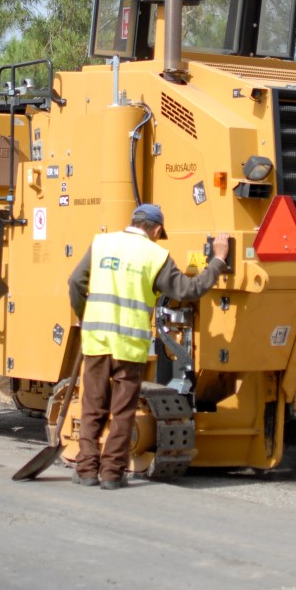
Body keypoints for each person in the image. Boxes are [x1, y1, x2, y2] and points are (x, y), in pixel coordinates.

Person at [67, 203, 230, 490]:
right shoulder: (155, 255)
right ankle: (111, 474)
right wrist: (218, 261)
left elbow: (75, 282)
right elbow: (187, 291)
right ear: (155, 229)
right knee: (122, 411)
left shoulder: (101, 243)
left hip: (96, 341)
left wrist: (84, 315)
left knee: (92, 406)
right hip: (129, 347)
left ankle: (86, 470)